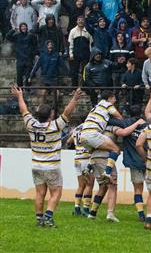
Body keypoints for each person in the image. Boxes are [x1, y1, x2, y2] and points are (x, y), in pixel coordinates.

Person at [10, 86, 82, 227]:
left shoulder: (31, 125)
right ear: (50, 115)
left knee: (39, 193)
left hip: (36, 165)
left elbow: (24, 110)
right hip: (51, 166)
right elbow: (67, 112)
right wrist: (74, 98)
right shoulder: (55, 126)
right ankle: (48, 217)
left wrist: (19, 96)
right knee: (56, 193)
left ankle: (39, 219)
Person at [79, 90, 123, 184]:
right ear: (109, 98)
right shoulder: (107, 105)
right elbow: (119, 117)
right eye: (114, 98)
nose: (115, 100)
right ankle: (107, 173)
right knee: (116, 149)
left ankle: (88, 168)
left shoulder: (96, 107)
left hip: (83, 135)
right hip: (92, 134)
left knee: (93, 151)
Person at [67, 124, 94, 216]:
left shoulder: (76, 129)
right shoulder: (90, 127)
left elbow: (69, 141)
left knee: (81, 185)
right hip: (86, 158)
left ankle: (77, 208)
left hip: (77, 159)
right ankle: (86, 208)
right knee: (89, 185)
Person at [68, 15, 93, 87]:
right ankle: (74, 88)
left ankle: (85, 88)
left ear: (84, 21)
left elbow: (91, 44)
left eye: (82, 20)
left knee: (85, 72)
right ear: (77, 21)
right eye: (79, 20)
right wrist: (71, 54)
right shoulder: (73, 31)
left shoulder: (88, 30)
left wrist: (91, 55)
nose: (81, 21)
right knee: (74, 72)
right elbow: (70, 44)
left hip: (86, 55)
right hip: (75, 55)